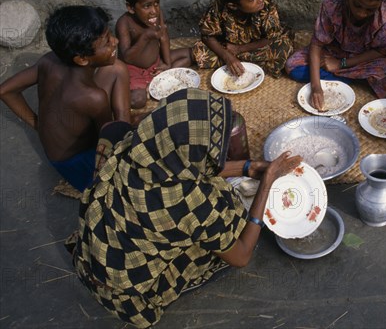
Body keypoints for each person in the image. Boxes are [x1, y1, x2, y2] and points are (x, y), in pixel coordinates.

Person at [67, 88, 302, 328]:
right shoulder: (192, 204)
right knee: (234, 216)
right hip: (130, 293)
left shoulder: (140, 145)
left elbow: (185, 166)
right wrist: (266, 184)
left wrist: (248, 167)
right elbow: (241, 256)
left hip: (94, 254)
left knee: (115, 130)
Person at [0, 5, 131, 192]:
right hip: (76, 163)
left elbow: (5, 90)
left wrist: (39, 125)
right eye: (106, 42)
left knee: (117, 67)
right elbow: (106, 140)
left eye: (110, 35)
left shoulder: (48, 61)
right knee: (125, 162)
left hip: (57, 152)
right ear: (82, 59)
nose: (115, 41)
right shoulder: (93, 98)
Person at [285, 0, 386, 111]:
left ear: (381, 2)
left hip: (367, 55)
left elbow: (381, 50)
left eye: (370, 9)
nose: (361, 13)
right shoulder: (332, 2)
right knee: (292, 66)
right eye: (357, 5)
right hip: (334, 50)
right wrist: (316, 87)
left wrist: (341, 64)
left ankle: (342, 74)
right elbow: (317, 45)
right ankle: (357, 78)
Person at [192, 0, 293, 78]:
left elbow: (270, 38)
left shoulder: (265, 5)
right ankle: (241, 63)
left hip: (255, 46)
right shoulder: (218, 8)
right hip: (228, 47)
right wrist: (228, 57)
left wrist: (239, 49)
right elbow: (207, 36)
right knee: (201, 51)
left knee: (283, 47)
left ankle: (235, 63)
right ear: (233, 6)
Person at [116, 0, 193, 109]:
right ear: (131, 7)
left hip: (156, 62)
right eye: (147, 6)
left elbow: (163, 36)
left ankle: (158, 76)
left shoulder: (158, 14)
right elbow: (127, 57)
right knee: (138, 101)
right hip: (134, 70)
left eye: (156, 3)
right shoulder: (124, 23)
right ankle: (149, 84)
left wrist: (167, 63)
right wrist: (145, 37)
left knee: (190, 55)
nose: (154, 11)